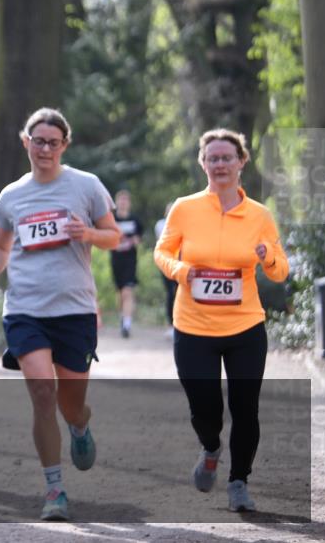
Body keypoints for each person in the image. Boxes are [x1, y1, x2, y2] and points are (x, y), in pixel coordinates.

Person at [0, 108, 120, 521]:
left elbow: (114, 236)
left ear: (64, 146)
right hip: (25, 308)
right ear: (26, 142)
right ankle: (54, 488)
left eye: (52, 142)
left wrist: (88, 233)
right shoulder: (12, 195)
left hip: (74, 308)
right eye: (37, 141)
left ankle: (79, 425)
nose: (44, 149)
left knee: (71, 405)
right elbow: (0, 245)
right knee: (42, 394)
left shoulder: (86, 186)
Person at [154, 129, 288, 513]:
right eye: (212, 158)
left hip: (245, 326)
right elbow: (162, 252)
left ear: (242, 161)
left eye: (227, 157)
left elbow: (281, 272)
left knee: (246, 408)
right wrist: (182, 271)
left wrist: (268, 258)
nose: (220, 164)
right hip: (193, 326)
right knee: (205, 409)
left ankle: (239, 481)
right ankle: (211, 447)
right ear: (203, 163)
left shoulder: (260, 215)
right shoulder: (184, 208)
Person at [110, 190, 143, 338]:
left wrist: (132, 241)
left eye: (125, 200)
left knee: (127, 292)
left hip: (130, 261)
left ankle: (127, 325)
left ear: (129, 203)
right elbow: (106, 237)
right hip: (116, 261)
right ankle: (123, 317)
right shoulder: (111, 219)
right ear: (116, 202)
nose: (123, 203)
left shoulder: (135, 220)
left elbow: (139, 238)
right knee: (120, 294)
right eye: (120, 200)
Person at [155, 201, 179, 338]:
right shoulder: (160, 224)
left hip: (180, 263)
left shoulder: (183, 223)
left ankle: (180, 323)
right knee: (170, 293)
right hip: (167, 264)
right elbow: (163, 244)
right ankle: (171, 324)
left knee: (179, 293)